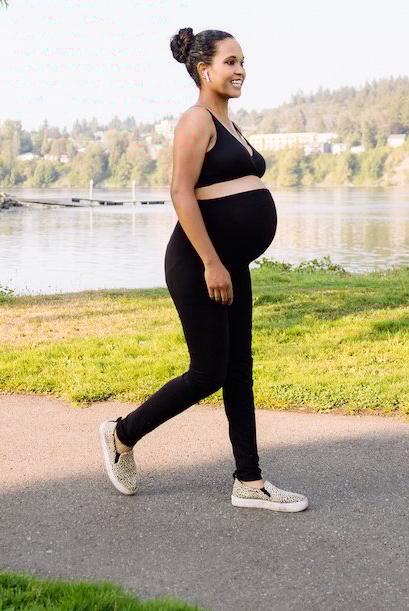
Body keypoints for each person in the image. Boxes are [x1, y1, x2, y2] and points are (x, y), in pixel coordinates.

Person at [98, 27, 308, 513]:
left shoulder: (229, 122)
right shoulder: (196, 121)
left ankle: (249, 482)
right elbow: (180, 192)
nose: (240, 71)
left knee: (239, 371)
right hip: (200, 261)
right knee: (208, 371)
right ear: (204, 69)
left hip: (230, 262)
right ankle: (121, 434)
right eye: (231, 61)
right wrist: (212, 261)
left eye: (243, 62)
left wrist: (229, 258)